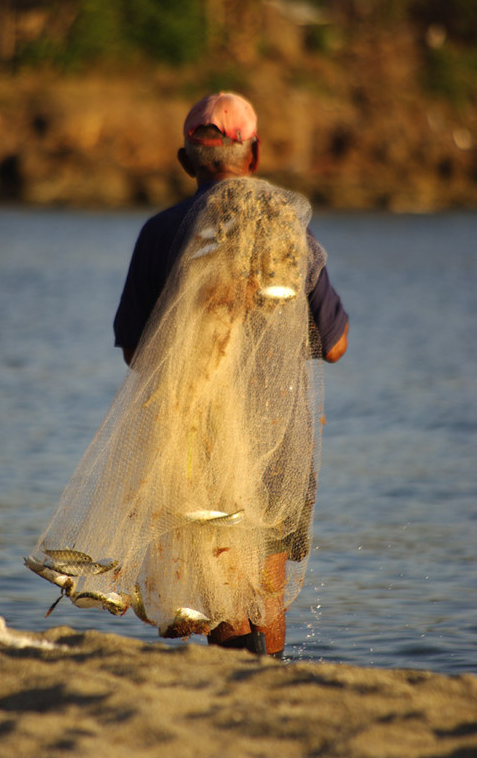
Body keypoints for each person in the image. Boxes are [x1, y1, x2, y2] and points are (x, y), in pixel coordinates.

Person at [113, 93, 349, 658]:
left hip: (197, 441)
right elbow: (336, 345)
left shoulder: (161, 232)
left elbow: (137, 354)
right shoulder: (289, 228)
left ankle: (225, 694)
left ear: (185, 158)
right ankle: (266, 687)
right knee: (266, 586)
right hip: (280, 440)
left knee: (215, 581)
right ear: (256, 152)